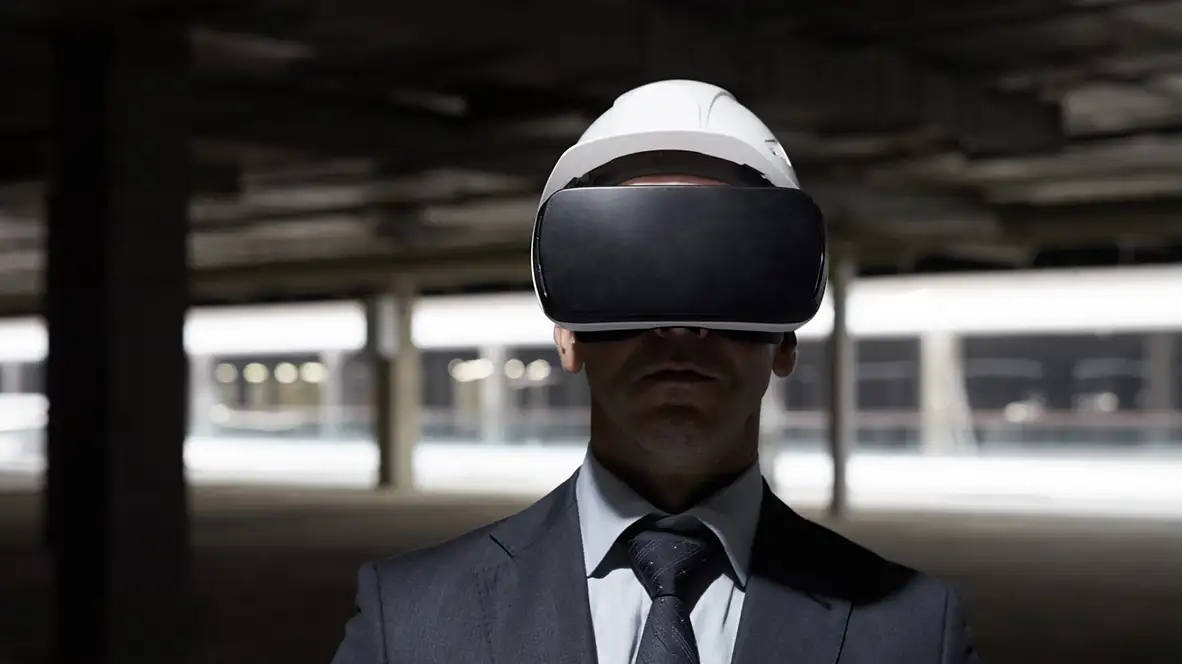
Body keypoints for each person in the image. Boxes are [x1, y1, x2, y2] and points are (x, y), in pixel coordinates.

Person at [330, 79, 981, 664]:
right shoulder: (408, 624)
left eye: (723, 277)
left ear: (785, 338)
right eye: (630, 274)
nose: (678, 328)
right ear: (568, 334)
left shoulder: (916, 634)